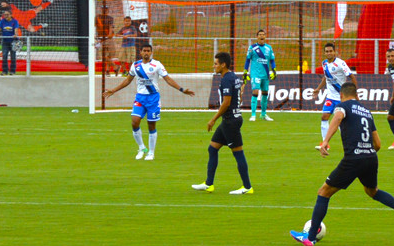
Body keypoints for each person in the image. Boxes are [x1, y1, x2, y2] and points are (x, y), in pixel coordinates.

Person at [291, 81, 394, 246]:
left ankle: (310, 237)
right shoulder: (366, 112)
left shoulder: (342, 106)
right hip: (371, 158)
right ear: (356, 95)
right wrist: (365, 153)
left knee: (324, 192)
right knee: (372, 191)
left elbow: (337, 117)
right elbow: (378, 144)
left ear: (341, 95)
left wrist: (325, 141)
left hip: (354, 158)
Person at [101, 41, 195, 160]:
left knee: (151, 125)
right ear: (140, 52)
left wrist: (182, 89)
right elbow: (127, 80)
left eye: (148, 51)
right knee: (134, 122)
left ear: (151, 52)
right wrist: (113, 90)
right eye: (144, 51)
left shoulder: (157, 65)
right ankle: (141, 147)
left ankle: (151, 152)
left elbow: (168, 79)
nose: (146, 53)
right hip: (140, 98)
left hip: (153, 98)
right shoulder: (135, 65)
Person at [192, 52, 253, 194]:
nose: (214, 66)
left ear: (223, 65)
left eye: (216, 64)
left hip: (230, 121)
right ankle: (209, 184)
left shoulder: (226, 79)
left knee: (238, 153)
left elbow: (226, 102)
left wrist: (213, 119)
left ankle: (247, 187)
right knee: (212, 149)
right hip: (230, 119)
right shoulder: (233, 77)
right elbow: (238, 95)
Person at [315, 42, 353, 148]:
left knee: (341, 122)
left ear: (334, 52)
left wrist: (354, 92)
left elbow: (351, 76)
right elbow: (326, 77)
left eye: (331, 51)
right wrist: (318, 88)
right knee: (324, 117)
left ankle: (349, 143)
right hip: (330, 97)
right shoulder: (324, 63)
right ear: (324, 53)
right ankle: (325, 144)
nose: (329, 53)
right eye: (327, 51)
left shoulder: (341, 63)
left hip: (341, 97)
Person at [244, 29, 277, 121]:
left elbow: (272, 60)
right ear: (257, 36)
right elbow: (247, 60)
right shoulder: (252, 48)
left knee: (265, 93)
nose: (262, 36)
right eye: (260, 34)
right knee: (255, 92)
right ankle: (253, 115)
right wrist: (245, 71)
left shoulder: (269, 48)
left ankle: (263, 114)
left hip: (265, 74)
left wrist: (274, 70)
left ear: (265, 36)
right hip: (255, 74)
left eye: (263, 34)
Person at [0, 9, 22, 76]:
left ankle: (12, 71)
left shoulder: (15, 21)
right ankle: (5, 71)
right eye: (5, 15)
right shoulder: (2, 21)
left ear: (11, 15)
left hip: (13, 41)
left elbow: (16, 29)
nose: (6, 16)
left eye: (7, 15)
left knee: (13, 57)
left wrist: (15, 34)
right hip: (5, 41)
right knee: (4, 56)